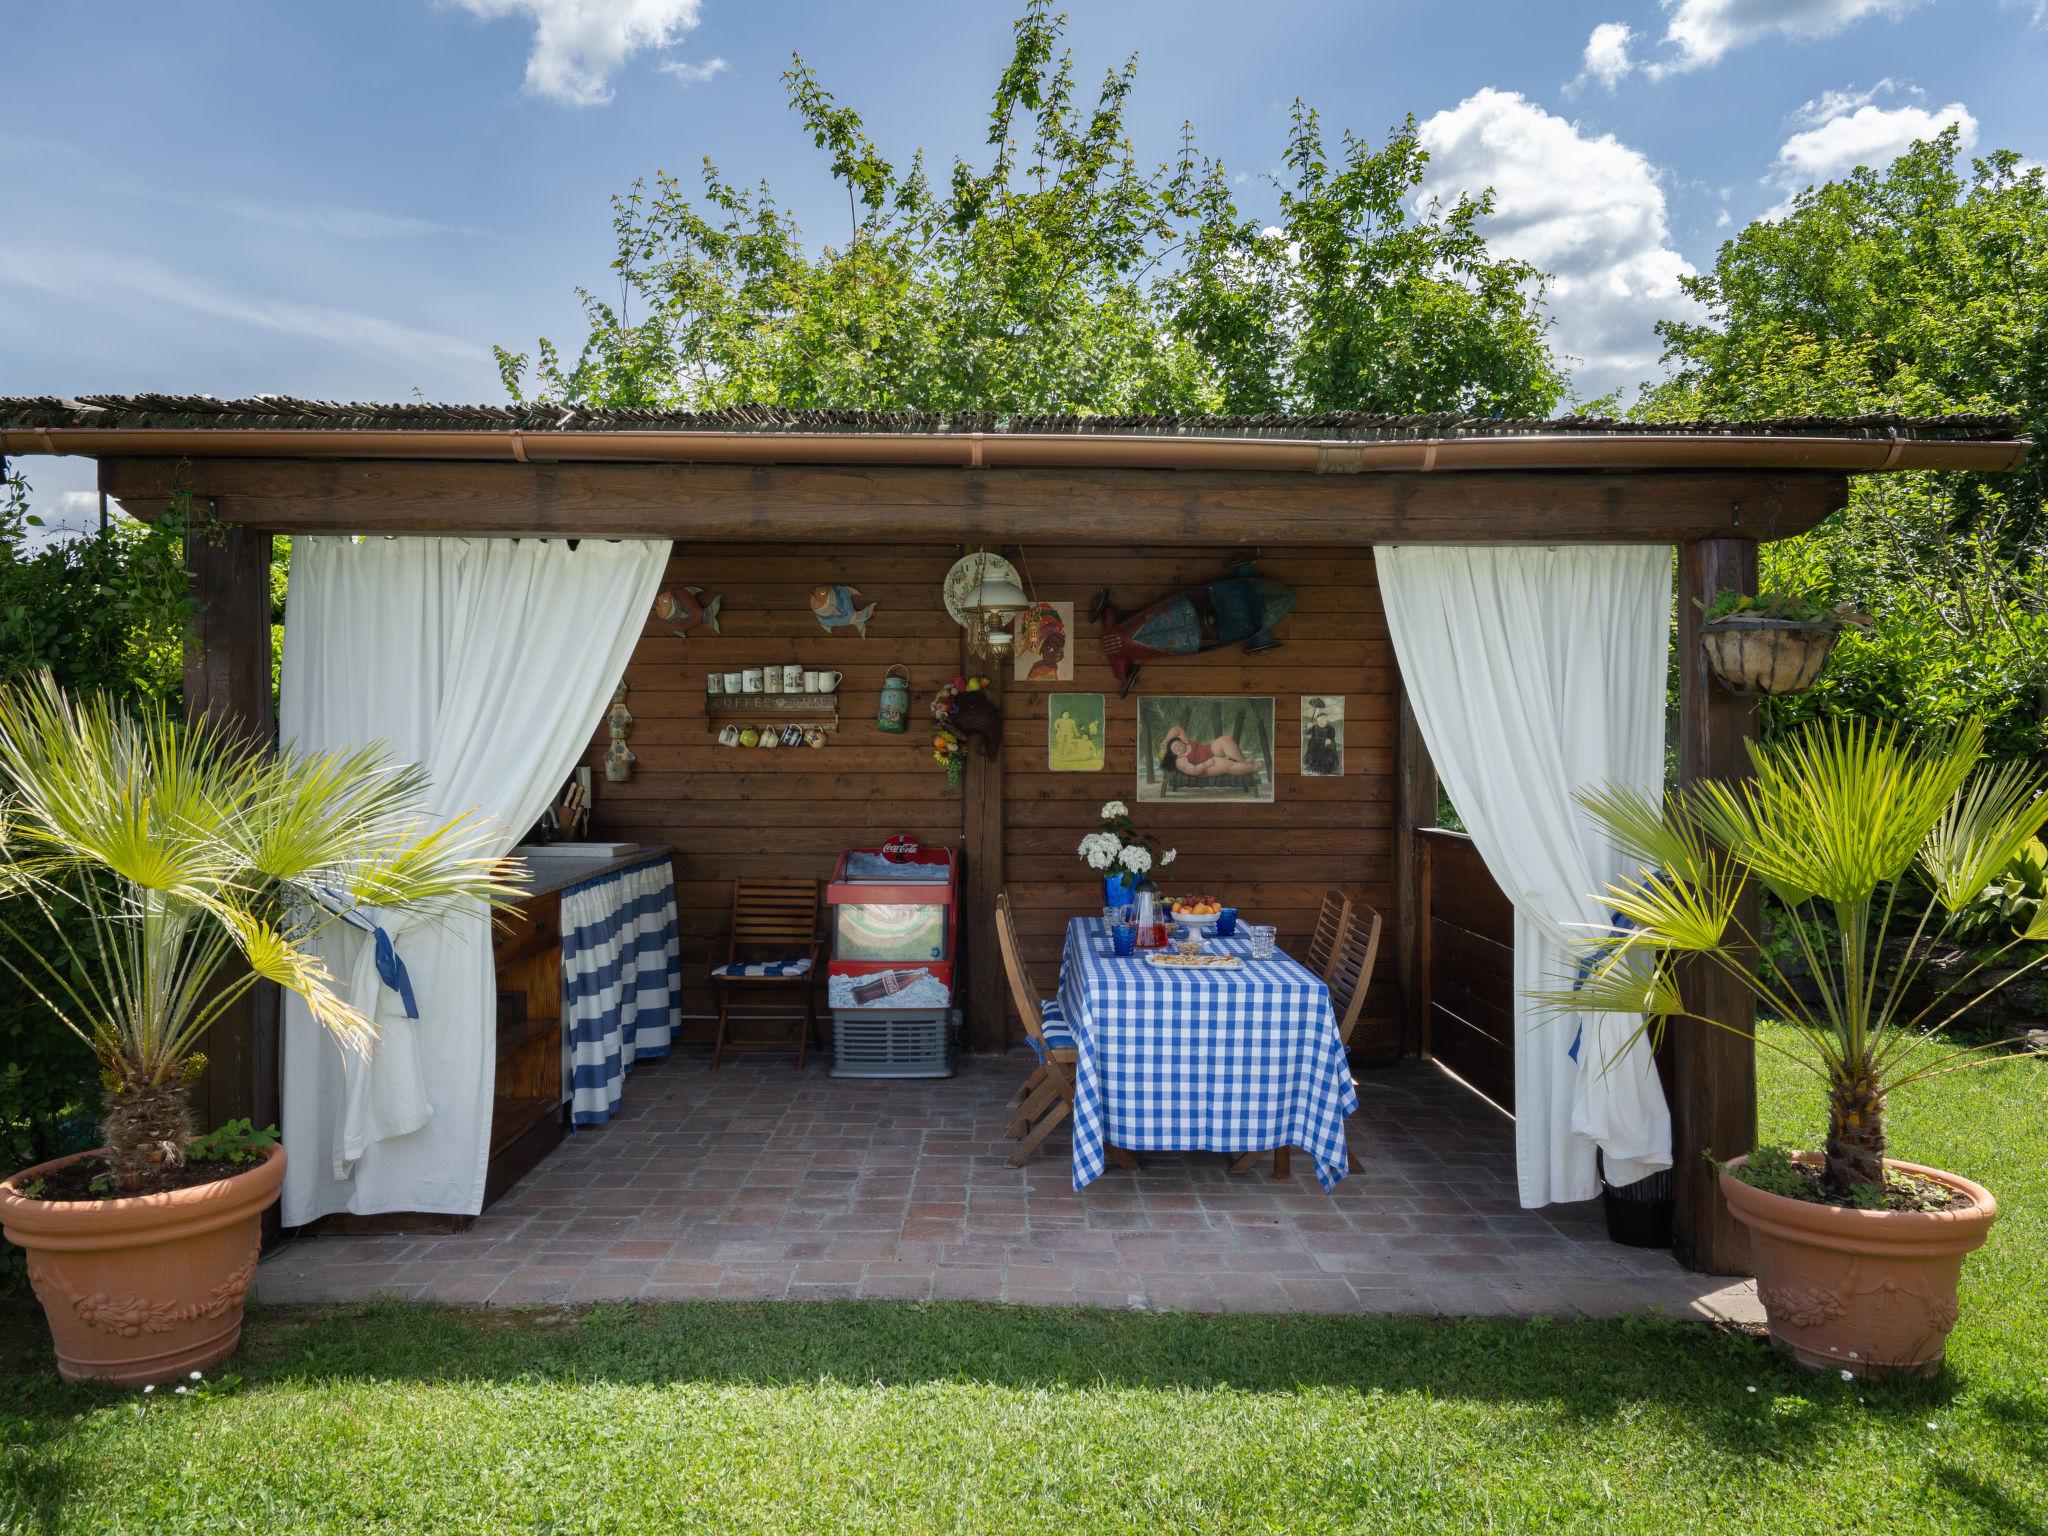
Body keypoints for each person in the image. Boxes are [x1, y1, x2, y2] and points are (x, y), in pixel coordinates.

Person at [1157, 721, 1263, 780]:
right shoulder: (1180, 760)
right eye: (1174, 749)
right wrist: (1205, 764)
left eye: (1177, 745)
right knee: (1228, 765)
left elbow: (1177, 729)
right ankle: (1252, 768)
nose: (1177, 748)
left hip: (1209, 750)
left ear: (1180, 741)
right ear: (1174, 754)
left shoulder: (1186, 742)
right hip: (1205, 766)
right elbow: (1193, 770)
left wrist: (1165, 742)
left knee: (1226, 739)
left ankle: (1243, 761)